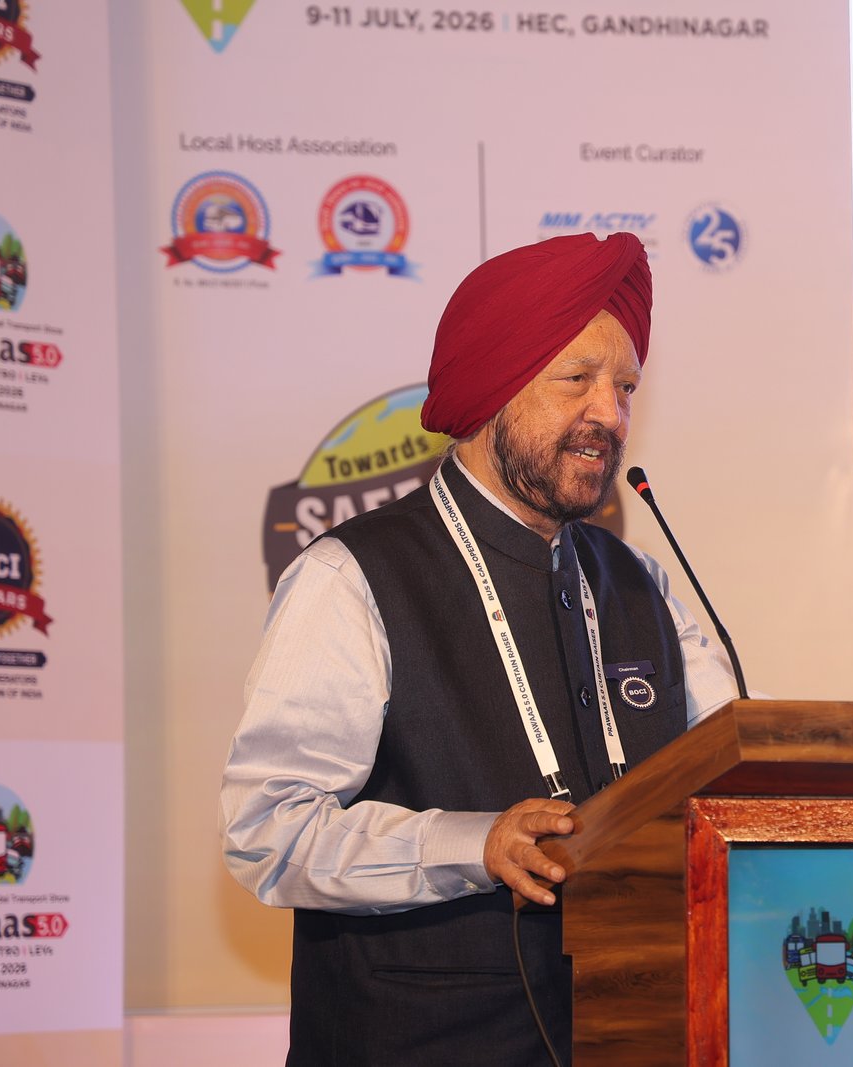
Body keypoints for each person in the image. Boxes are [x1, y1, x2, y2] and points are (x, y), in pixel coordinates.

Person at [221, 232, 740, 1066]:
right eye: (577, 378)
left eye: (625, 387)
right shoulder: (352, 576)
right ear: (496, 387)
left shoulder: (641, 583)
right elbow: (268, 829)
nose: (609, 415)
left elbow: (738, 774)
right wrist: (470, 844)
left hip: (626, 1036)